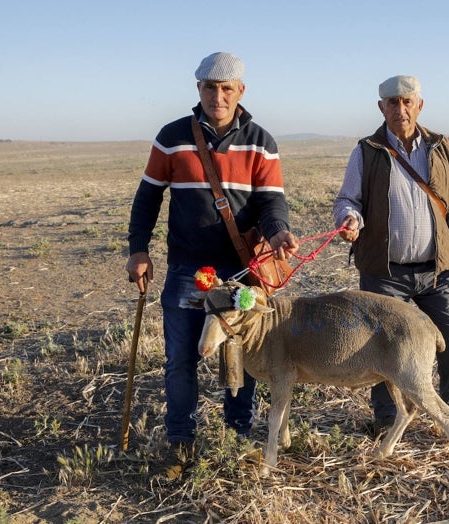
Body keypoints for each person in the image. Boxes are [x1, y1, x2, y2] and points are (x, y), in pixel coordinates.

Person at [125, 51, 298, 478]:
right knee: (181, 359)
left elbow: (270, 202)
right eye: (208, 88)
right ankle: (180, 444)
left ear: (241, 91)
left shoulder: (261, 141)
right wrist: (138, 248)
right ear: (198, 88)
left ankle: (237, 438)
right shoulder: (171, 137)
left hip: (240, 272)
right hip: (188, 270)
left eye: (226, 89)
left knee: (241, 358)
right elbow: (147, 198)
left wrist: (278, 232)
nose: (216, 97)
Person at [333, 75, 449, 440]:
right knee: (382, 345)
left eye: (407, 102)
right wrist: (349, 218)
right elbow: (347, 199)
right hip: (385, 272)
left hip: (436, 270)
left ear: (419, 105)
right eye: (392, 103)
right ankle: (385, 415)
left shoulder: (440, 147)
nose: (400, 109)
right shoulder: (366, 150)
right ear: (381, 107)